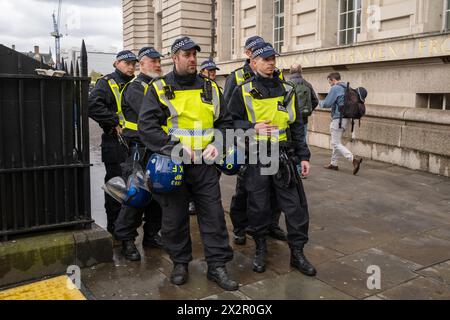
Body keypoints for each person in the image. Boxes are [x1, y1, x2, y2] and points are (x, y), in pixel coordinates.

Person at [138, 37, 238, 291]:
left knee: (213, 216)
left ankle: (217, 266)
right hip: (174, 165)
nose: (192, 59)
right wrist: (178, 149)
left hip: (205, 164)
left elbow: (225, 123)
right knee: (174, 218)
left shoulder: (211, 87)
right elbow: (147, 128)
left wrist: (219, 142)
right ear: (175, 57)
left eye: (194, 54)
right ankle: (179, 263)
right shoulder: (159, 88)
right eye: (186, 54)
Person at [228, 42, 316, 276]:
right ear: (253, 62)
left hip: (284, 156)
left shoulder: (288, 89)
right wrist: (252, 126)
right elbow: (230, 122)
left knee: (295, 208)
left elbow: (297, 125)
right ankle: (260, 249)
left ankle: (298, 253)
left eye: (272, 59)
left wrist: (304, 156)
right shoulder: (243, 90)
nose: (270, 63)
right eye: (265, 59)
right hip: (257, 156)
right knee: (258, 208)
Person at [224, 36, 287, 246]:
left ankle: (271, 224)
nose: (269, 61)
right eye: (253, 51)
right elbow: (228, 115)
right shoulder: (237, 77)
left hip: (274, 143)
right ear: (248, 54)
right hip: (246, 144)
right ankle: (240, 227)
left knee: (275, 188)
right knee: (245, 190)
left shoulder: (276, 75)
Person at [113, 47, 164, 261]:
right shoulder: (136, 88)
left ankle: (151, 235)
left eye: (159, 61)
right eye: (152, 61)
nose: (158, 65)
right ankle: (126, 240)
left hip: (157, 149)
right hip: (139, 149)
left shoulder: (157, 86)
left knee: (157, 196)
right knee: (136, 195)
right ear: (141, 64)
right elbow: (156, 115)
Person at [88, 50, 138, 235]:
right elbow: (92, 106)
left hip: (133, 142)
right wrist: (113, 121)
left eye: (133, 63)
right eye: (127, 63)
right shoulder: (106, 82)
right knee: (116, 187)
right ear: (116, 63)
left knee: (134, 185)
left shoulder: (135, 83)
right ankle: (115, 229)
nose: (131, 66)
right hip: (113, 141)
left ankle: (128, 228)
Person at [320, 72, 363, 175]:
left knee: (335, 143)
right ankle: (334, 164)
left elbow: (326, 103)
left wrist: (319, 102)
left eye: (330, 82)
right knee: (337, 141)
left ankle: (353, 159)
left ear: (333, 80)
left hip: (338, 119)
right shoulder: (347, 88)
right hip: (346, 118)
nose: (330, 84)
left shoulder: (336, 88)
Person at [289, 64, 319, 179]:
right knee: (301, 141)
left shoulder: (287, 84)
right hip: (303, 119)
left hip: (290, 120)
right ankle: (301, 168)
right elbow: (315, 100)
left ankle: (293, 169)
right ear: (301, 71)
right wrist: (308, 110)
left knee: (291, 143)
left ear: (290, 71)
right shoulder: (307, 84)